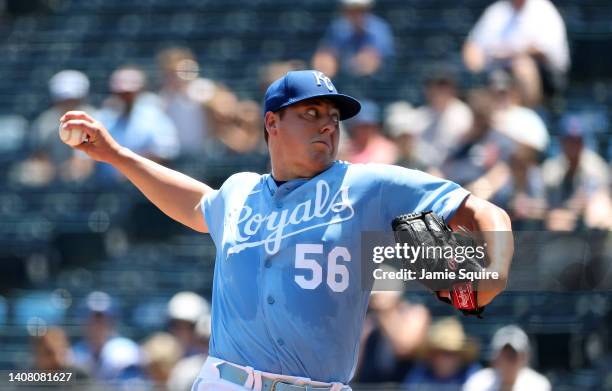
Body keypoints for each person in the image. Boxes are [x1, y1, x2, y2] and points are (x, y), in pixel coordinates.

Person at [59, 70, 513, 390]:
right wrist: (117, 155)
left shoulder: (369, 186)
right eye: (311, 113)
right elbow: (196, 203)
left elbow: (487, 213)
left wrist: (493, 271)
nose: (327, 124)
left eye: (333, 117)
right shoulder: (238, 193)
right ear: (272, 123)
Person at [463, 0, 570, 107]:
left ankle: (528, 111)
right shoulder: (498, 10)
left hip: (542, 75)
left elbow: (544, 51)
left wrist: (511, 54)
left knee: (522, 66)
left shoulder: (543, 10)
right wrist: (475, 66)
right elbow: (473, 45)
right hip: (498, 71)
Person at [312, 0, 395, 79]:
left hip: (375, 83)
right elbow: (325, 56)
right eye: (351, 10)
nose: (356, 14)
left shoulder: (379, 29)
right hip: (344, 81)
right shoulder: (338, 27)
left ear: (368, 10)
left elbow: (369, 64)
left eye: (360, 10)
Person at [463, 325, 551, 391]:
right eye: (504, 355)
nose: (508, 362)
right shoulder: (476, 384)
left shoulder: (538, 386)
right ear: (494, 359)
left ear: (524, 358)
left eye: (513, 356)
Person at [403, 317, 481, 390]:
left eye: (455, 353)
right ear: (432, 354)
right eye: (445, 353)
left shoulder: (472, 375)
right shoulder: (420, 374)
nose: (450, 359)